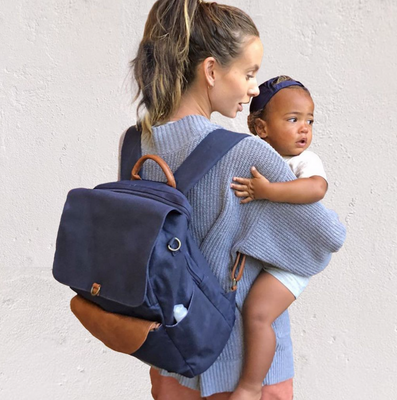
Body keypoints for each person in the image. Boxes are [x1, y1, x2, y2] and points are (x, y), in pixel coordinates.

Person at [128, 1, 346, 399]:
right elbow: (325, 238)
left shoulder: (137, 144)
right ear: (211, 70)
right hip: (240, 373)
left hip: (169, 361)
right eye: (248, 73)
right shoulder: (245, 155)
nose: (253, 88)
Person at [229, 76, 329, 400]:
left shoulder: (304, 161)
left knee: (258, 313)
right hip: (269, 256)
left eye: (309, 120)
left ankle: (250, 385)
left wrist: (269, 191)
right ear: (261, 128)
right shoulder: (253, 157)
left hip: (293, 261)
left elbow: (316, 188)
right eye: (293, 119)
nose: (305, 129)